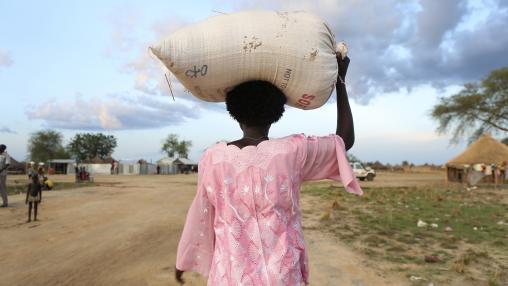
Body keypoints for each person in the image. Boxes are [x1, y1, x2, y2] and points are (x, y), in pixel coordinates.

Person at [175, 55, 362, 285]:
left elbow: (201, 213)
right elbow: (344, 140)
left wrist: (183, 260)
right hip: (282, 277)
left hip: (230, 277)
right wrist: (340, 82)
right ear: (276, 113)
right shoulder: (293, 152)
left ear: (233, 112)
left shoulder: (212, 158)